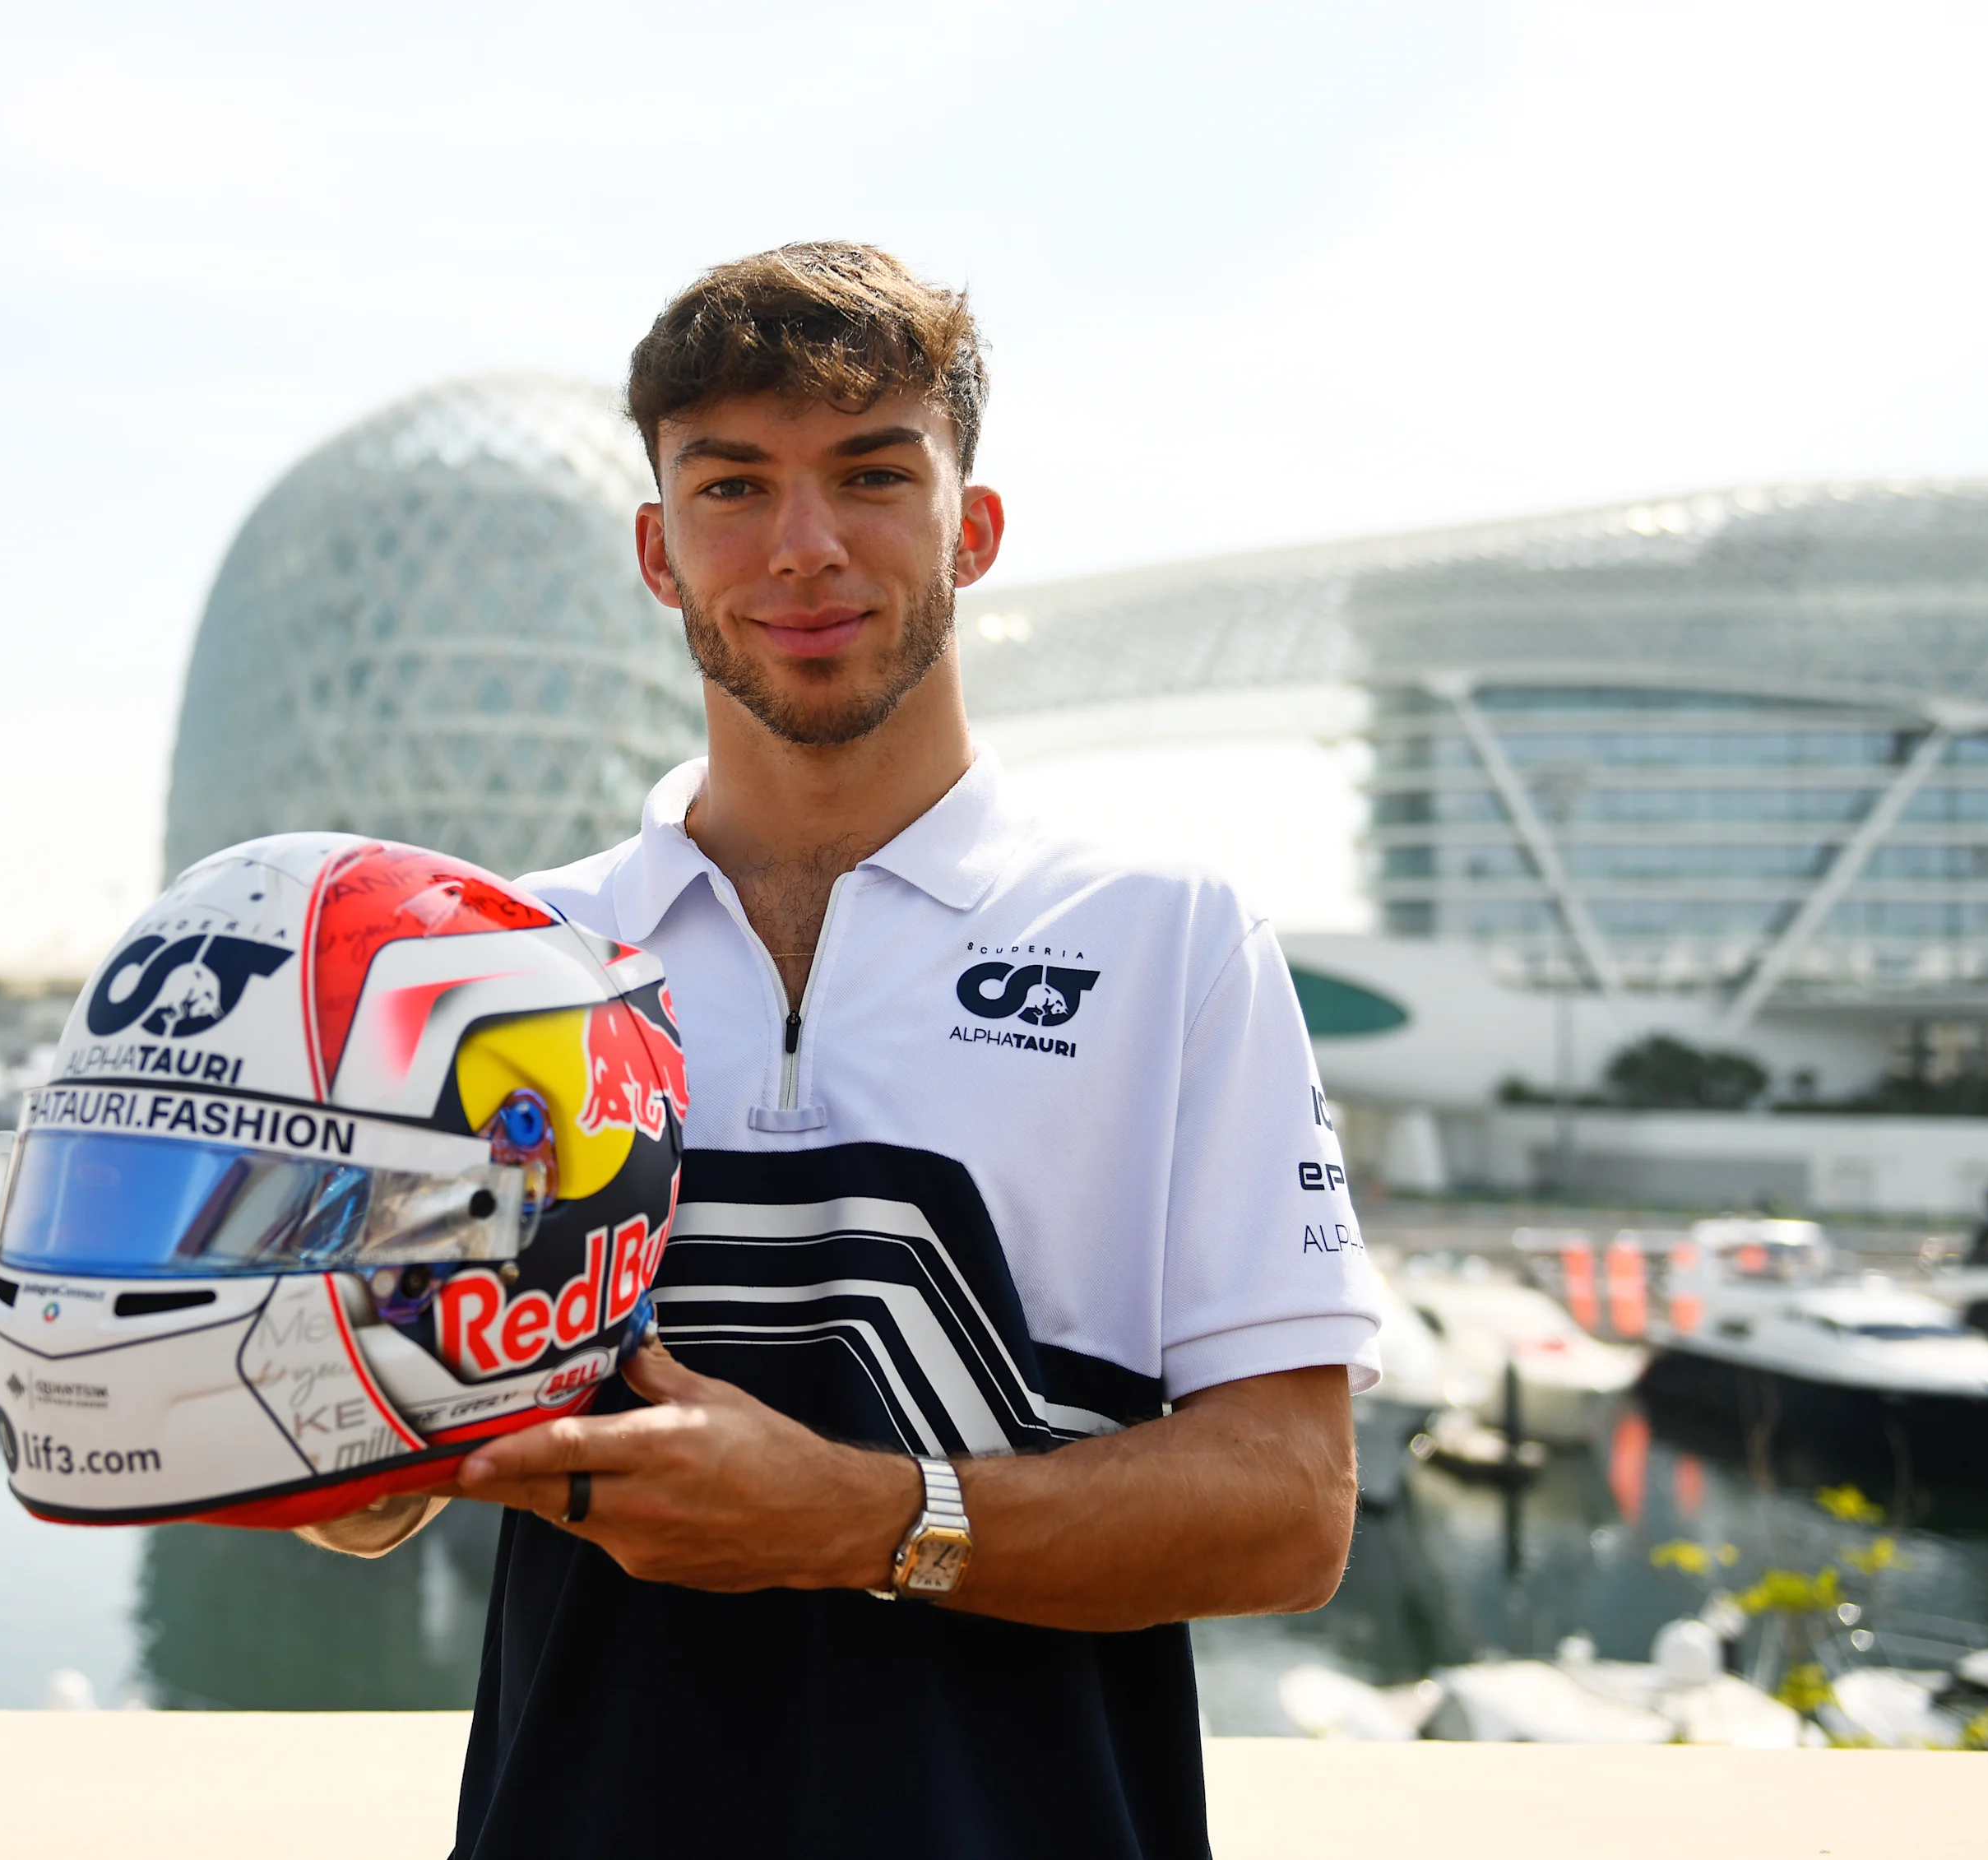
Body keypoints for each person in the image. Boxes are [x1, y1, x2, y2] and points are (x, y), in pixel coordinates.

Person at [324, 242, 1383, 1860]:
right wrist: (312, 1431)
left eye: (872, 475)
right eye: (732, 486)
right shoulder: (501, 958)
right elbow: (375, 1483)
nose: (802, 545)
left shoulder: (1167, 934)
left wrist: (870, 1521)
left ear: (974, 528)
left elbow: (1292, 1508)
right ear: (658, 550)